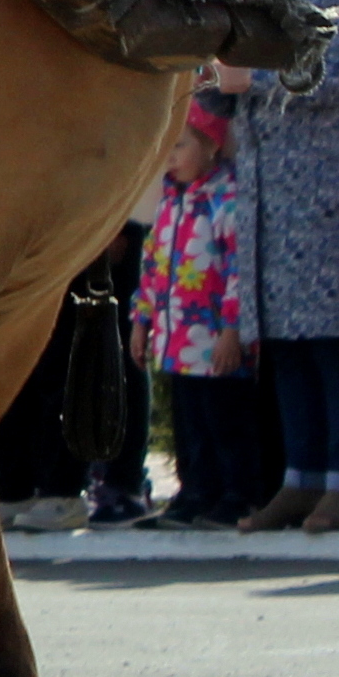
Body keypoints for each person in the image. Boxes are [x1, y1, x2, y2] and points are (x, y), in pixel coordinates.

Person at [226, 0, 339, 533]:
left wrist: (254, 78)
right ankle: (303, 478)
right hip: (269, 197)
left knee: (334, 341)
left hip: (330, 194)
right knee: (287, 343)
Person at [133, 100, 261, 522]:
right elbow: (152, 266)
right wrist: (142, 320)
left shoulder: (226, 200)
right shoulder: (170, 203)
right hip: (177, 344)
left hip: (214, 342)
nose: (170, 158)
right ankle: (194, 491)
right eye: (166, 148)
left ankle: (235, 493)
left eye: (180, 145)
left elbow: (238, 270)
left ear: (211, 145)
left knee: (225, 420)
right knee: (189, 425)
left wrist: (232, 329)